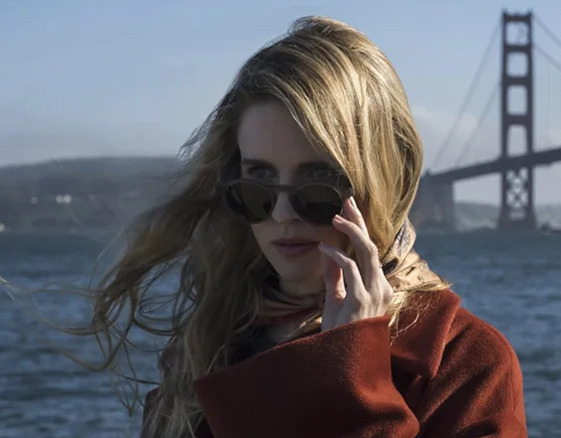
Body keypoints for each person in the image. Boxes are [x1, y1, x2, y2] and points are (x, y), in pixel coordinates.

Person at [77, 16, 527, 438]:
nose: (281, 214)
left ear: (388, 176)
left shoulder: (466, 362)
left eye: (318, 187)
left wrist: (351, 376)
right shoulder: (204, 347)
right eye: (259, 184)